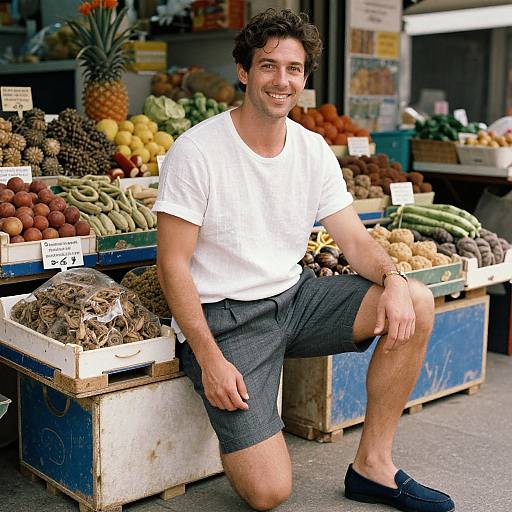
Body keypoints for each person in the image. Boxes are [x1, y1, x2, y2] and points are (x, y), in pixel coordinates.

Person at [154, 8, 455, 512]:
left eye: (293, 69)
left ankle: (372, 467)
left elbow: (356, 243)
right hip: (228, 320)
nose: (281, 80)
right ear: (244, 72)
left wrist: (395, 279)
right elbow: (172, 266)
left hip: (297, 300)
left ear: (304, 79)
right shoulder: (198, 151)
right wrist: (208, 357)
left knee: (418, 301)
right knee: (269, 493)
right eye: (268, 66)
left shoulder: (313, 150)